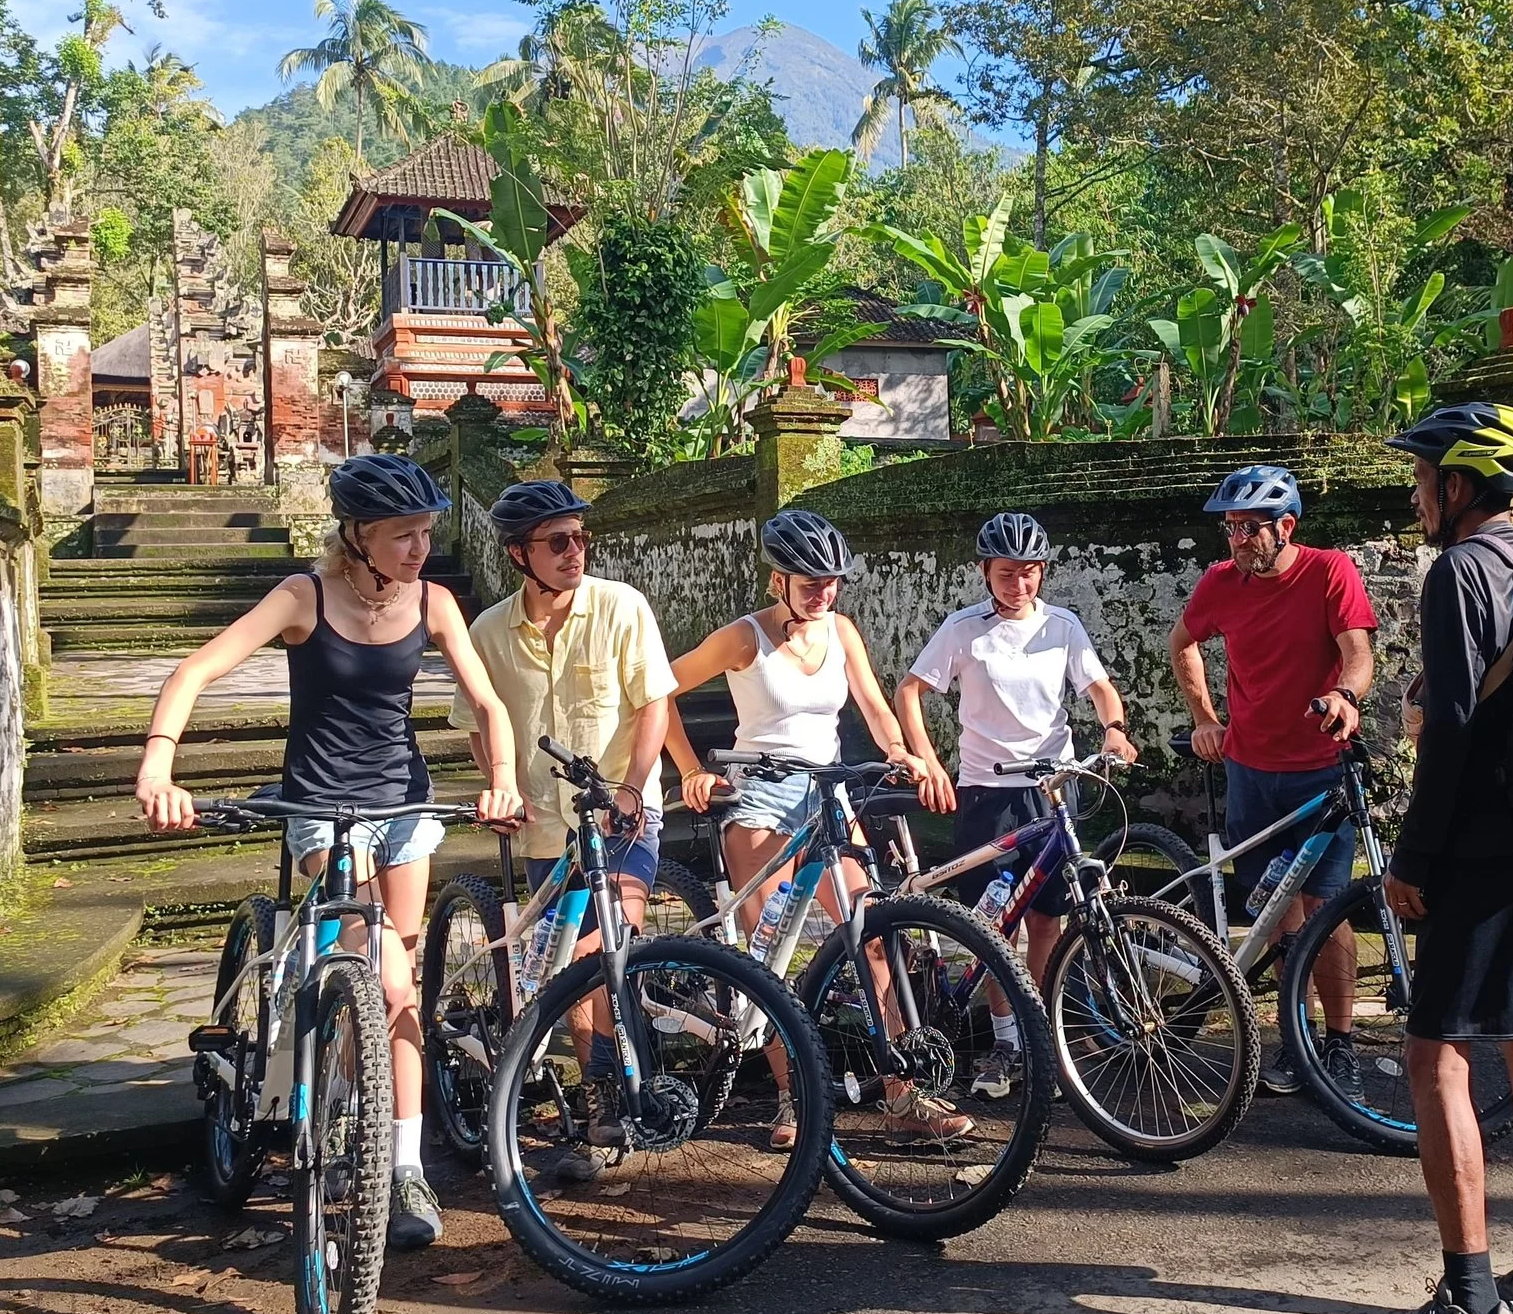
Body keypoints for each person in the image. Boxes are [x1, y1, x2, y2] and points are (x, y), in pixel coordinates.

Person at [136, 453, 522, 1251]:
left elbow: (487, 701)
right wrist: (157, 763)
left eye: (424, 533)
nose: (419, 549)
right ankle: (319, 1072)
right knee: (368, 963)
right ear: (357, 536)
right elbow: (197, 668)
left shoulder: (436, 602)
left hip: (404, 806)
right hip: (318, 807)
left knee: (400, 982)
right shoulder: (302, 597)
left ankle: (404, 1163)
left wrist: (505, 779)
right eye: (402, 535)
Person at [1355, 401, 1513, 1314]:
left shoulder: (1459, 570)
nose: (1415, 492)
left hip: (1486, 855)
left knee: (1434, 1057)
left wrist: (1412, 859)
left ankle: (1472, 1306)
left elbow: (1450, 728)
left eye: (1422, 476)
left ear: (1457, 485)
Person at [662, 508, 975, 1148]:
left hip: (829, 799)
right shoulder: (745, 638)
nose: (823, 593)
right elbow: (657, 691)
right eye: (809, 582)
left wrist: (906, 754)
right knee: (770, 957)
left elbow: (877, 710)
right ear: (778, 580)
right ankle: (790, 1099)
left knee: (874, 937)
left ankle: (902, 1095)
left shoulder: (842, 631)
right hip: (762, 805)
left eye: (831, 581)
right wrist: (691, 769)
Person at [451, 478, 679, 1184]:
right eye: (558, 541)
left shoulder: (622, 606)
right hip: (544, 829)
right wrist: (499, 782)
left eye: (581, 537)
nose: (574, 550)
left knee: (598, 945)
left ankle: (615, 1092)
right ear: (520, 552)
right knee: (569, 971)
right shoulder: (488, 630)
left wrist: (636, 786)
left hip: (622, 815)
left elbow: (655, 708)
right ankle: (599, 1101)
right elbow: (475, 724)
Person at [896, 511, 1137, 1098]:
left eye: (1030, 573)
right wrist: (926, 758)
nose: (1019, 585)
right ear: (986, 572)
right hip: (987, 794)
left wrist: (1114, 728)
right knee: (994, 926)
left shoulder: (1063, 626)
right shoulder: (963, 629)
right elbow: (910, 690)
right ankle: (1006, 1038)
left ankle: (1043, 1033)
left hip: (1052, 789)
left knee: (1048, 920)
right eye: (1007, 573)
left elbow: (1098, 687)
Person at [1166, 464, 1377, 1098]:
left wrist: (1345, 694)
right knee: (1277, 913)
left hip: (1318, 767)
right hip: (1251, 769)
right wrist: (1206, 718)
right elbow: (1183, 643)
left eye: (1250, 528)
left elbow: (1358, 650)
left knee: (1328, 909)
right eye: (1229, 528)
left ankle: (1339, 1046)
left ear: (1286, 527)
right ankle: (1296, 1036)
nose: (1237, 541)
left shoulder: (1328, 570)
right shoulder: (1220, 583)